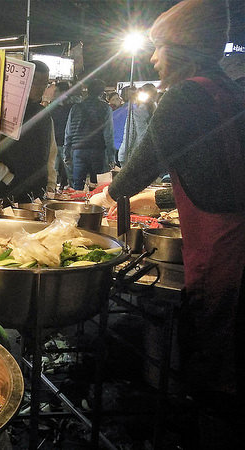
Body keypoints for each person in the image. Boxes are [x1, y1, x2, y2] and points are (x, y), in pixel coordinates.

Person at [90, 0, 244, 446]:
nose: (154, 58)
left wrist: (105, 197)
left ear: (181, 49)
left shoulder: (185, 96)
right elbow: (214, 170)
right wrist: (158, 198)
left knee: (216, 367)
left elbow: (137, 168)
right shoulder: (226, 89)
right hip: (232, 238)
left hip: (225, 253)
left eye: (159, 47)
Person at [0, 60, 56, 205]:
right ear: (24, 81)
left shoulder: (43, 113)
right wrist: (8, 177)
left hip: (36, 191)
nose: (41, 89)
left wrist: (50, 184)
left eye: (45, 84)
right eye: (37, 83)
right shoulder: (3, 110)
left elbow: (51, 152)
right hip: (5, 191)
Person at [63, 78, 114, 190]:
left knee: (78, 185)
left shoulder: (76, 108)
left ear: (88, 91)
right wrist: (111, 157)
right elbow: (108, 134)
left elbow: (68, 132)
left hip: (78, 151)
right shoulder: (105, 108)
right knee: (97, 186)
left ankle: (78, 199)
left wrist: (66, 153)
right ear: (102, 93)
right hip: (98, 151)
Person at [118, 83, 157, 165]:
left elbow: (131, 134)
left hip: (135, 153)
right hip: (151, 152)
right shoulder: (157, 110)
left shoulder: (137, 111)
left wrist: (122, 154)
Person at [49, 81, 73, 189]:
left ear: (64, 92)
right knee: (53, 172)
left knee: (68, 173)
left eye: (57, 91)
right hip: (54, 144)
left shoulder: (71, 108)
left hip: (66, 145)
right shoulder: (51, 108)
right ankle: (52, 191)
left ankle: (66, 189)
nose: (54, 93)